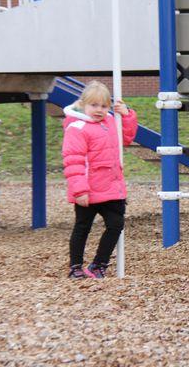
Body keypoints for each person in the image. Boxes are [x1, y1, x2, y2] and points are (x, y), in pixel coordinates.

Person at [62, 81, 138, 279]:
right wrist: (79, 190)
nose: (99, 110)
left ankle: (99, 264)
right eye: (94, 105)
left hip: (111, 187)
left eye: (104, 106)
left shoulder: (111, 122)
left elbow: (127, 138)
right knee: (82, 227)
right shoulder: (77, 127)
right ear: (83, 104)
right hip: (88, 188)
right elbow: (74, 161)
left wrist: (127, 115)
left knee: (116, 224)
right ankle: (75, 266)